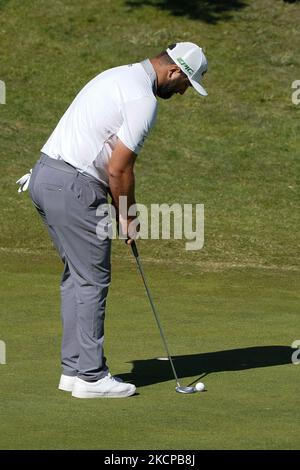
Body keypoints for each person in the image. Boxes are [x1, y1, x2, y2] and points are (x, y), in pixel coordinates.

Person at [17, 42, 208, 399]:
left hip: (44, 176)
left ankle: (74, 371)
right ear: (174, 71)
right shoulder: (142, 99)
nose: (182, 92)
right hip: (74, 185)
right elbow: (119, 168)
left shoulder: (115, 75)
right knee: (92, 280)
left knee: (77, 277)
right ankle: (91, 377)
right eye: (185, 84)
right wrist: (128, 217)